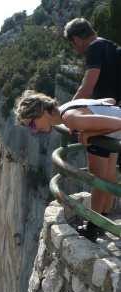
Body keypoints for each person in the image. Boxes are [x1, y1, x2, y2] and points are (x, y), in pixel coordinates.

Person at [14, 90, 121, 241]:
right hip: (112, 137)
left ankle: (92, 228)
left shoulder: (71, 119)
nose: (34, 130)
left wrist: (90, 134)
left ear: (42, 112)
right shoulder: (68, 107)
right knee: (107, 179)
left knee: (98, 180)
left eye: (32, 124)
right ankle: (102, 222)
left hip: (111, 135)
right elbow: (110, 100)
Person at [63, 18, 121, 232]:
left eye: (73, 43)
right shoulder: (112, 46)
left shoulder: (95, 48)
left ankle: (93, 227)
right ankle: (104, 217)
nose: (75, 48)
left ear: (77, 39)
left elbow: (87, 87)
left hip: (98, 117)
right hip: (115, 116)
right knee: (108, 173)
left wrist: (68, 109)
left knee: (98, 175)